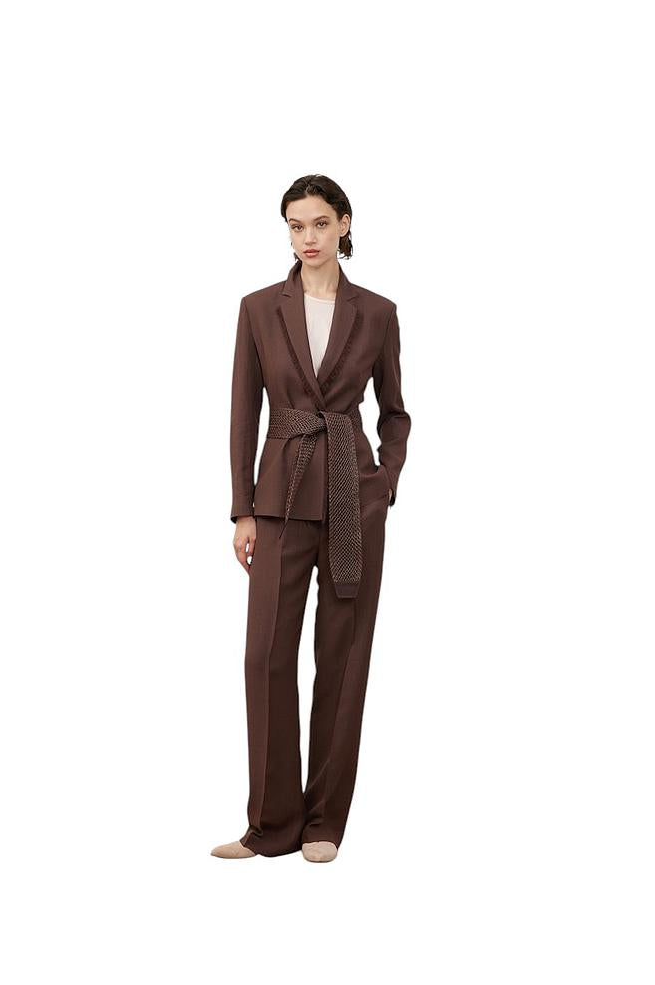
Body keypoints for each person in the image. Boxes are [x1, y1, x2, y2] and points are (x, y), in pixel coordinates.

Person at [211, 174, 411, 862]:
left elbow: (394, 412)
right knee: (265, 654)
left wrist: (384, 482)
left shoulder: (377, 312)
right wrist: (243, 509)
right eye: (296, 226)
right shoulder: (258, 308)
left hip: (355, 496)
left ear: (344, 224)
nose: (308, 237)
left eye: (320, 223)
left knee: (342, 659)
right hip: (280, 498)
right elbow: (244, 412)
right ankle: (271, 825)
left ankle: (323, 823)